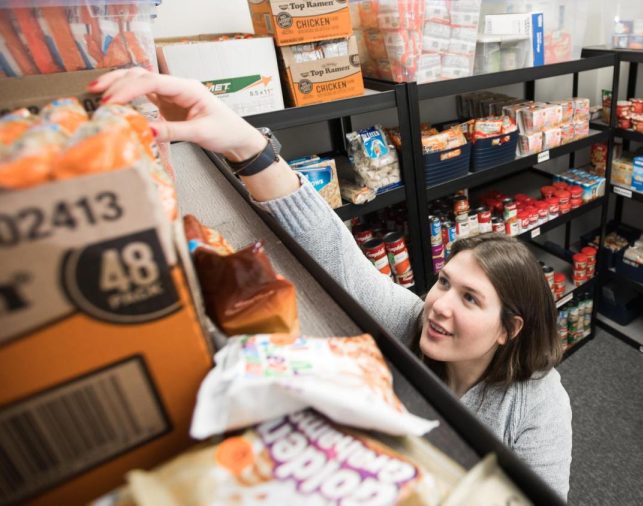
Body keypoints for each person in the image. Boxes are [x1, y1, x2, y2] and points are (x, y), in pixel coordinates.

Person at [90, 68, 573, 500]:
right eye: (444, 282)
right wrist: (245, 145)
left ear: (509, 328)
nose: (438, 305)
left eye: (470, 299)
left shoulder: (539, 400)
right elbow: (332, 248)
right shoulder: (412, 322)